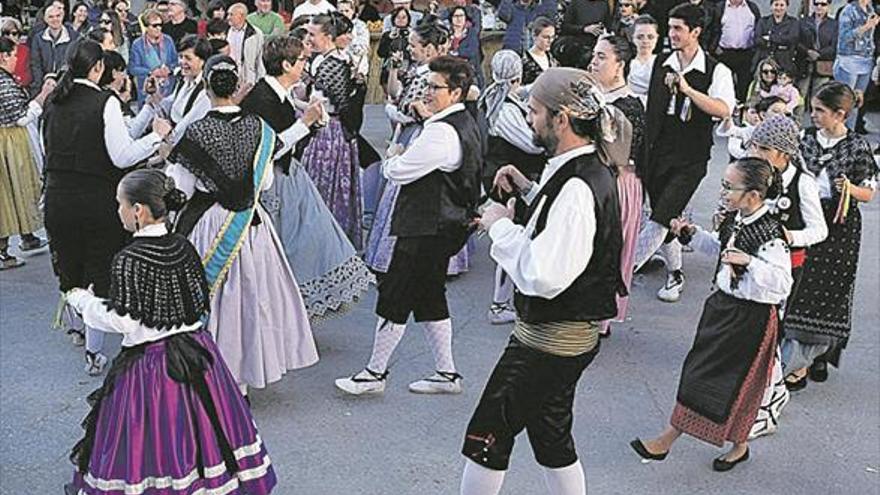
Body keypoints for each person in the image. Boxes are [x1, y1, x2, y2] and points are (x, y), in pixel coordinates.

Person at [459, 69, 628, 495]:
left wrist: (499, 225)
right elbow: (564, 226)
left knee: (487, 436)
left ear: (563, 118)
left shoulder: (578, 185)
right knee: (550, 434)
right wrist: (530, 189)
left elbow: (544, 274)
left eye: (534, 111)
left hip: (549, 340)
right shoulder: (581, 168)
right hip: (564, 336)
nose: (530, 120)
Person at [62, 169, 277, 495]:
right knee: (205, 440)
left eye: (120, 203)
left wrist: (82, 300)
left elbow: (127, 322)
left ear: (139, 211)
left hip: (153, 368)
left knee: (151, 447)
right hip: (198, 357)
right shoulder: (182, 245)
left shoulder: (130, 258)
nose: (118, 210)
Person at [167, 54, 319, 395]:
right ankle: (244, 380)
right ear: (237, 87)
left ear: (206, 88)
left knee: (216, 300)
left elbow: (181, 189)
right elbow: (264, 183)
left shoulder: (196, 131)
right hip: (250, 224)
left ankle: (209, 371)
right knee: (251, 300)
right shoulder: (260, 129)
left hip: (209, 224)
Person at [630, 157, 793, 472]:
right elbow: (721, 249)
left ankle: (668, 440)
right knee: (702, 375)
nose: (724, 192)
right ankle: (737, 445)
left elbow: (782, 282)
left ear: (754, 196)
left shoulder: (771, 234)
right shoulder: (737, 219)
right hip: (723, 311)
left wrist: (750, 262)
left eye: (730, 187)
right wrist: (690, 233)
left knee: (731, 384)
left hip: (750, 320)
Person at [335, 56, 481, 396]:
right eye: (427, 85)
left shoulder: (442, 133)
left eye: (435, 87)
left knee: (396, 294)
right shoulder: (459, 121)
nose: (427, 92)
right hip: (441, 224)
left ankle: (374, 373)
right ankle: (446, 373)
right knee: (430, 296)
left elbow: (398, 172)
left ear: (456, 92)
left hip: (426, 226)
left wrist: (393, 155)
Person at [42, 39, 172, 373]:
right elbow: (121, 155)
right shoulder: (105, 101)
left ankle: (79, 328)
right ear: (98, 68)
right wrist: (156, 136)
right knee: (99, 273)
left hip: (58, 197)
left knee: (70, 268)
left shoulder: (54, 101)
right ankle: (93, 351)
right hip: (96, 198)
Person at [240, 36, 374, 318]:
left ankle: (292, 311)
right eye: (301, 60)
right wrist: (305, 124)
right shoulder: (261, 97)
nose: (305, 64)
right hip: (274, 182)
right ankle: (281, 313)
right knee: (290, 247)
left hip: (290, 177)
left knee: (312, 239)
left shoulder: (277, 91)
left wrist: (308, 115)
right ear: (286, 64)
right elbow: (267, 149)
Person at [633, 3, 736, 303]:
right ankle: (675, 272)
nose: (672, 33)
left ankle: (621, 272)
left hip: (690, 156)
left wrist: (689, 91)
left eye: (678, 28)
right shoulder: (661, 62)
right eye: (671, 26)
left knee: (663, 214)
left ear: (696, 32)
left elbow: (723, 109)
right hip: (656, 151)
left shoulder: (717, 70)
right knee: (666, 216)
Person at [780, 81, 878, 389]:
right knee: (799, 287)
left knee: (828, 293)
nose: (814, 116)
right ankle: (799, 361)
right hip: (806, 219)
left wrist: (850, 188)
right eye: (812, 109)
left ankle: (814, 357)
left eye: (820, 111)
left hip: (840, 227)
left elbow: (869, 193)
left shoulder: (857, 147)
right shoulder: (805, 138)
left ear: (841, 114)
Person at [365, 21, 472, 277]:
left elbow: (406, 110)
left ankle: (399, 257)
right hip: (417, 131)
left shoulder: (429, 77)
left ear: (430, 49)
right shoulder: (422, 72)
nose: (410, 49)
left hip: (417, 134)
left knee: (407, 186)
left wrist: (393, 110)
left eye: (414, 45)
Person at [746, 114, 827, 439]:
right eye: (756, 145)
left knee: (770, 335)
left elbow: (818, 230)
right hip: (749, 263)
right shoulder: (757, 174)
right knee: (752, 334)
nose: (757, 153)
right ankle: (760, 393)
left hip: (785, 269)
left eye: (764, 148)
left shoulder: (802, 183)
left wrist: (790, 236)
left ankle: (770, 397)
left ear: (784, 152)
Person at [478, 49, 546, 325]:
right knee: (514, 238)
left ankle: (505, 300)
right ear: (516, 75)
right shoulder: (504, 109)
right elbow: (530, 144)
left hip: (503, 175)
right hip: (507, 180)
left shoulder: (496, 97)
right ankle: (499, 303)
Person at [588, 34, 644, 338]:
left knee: (608, 247)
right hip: (595, 179)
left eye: (601, 57)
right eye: (595, 55)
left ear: (620, 64)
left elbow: (618, 154)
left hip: (617, 183)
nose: (594, 62)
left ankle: (601, 316)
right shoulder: (594, 95)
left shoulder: (629, 104)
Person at [302, 13, 363, 248]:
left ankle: (326, 241)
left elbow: (323, 105)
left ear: (327, 36)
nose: (308, 38)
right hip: (328, 127)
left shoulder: (333, 63)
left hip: (331, 131)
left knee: (325, 186)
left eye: (312, 34)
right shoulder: (323, 59)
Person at [0, 37, 53, 270]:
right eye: (13, 55)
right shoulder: (3, 81)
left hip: (10, 140)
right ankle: (3, 251)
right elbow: (21, 116)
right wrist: (43, 95)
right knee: (10, 193)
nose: (15, 60)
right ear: (3, 57)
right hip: (9, 142)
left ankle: (22, 238)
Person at [833, 0, 877, 129]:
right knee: (845, 101)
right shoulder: (848, 10)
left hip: (866, 59)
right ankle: (839, 135)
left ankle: (849, 135)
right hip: (849, 59)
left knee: (857, 101)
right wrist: (866, 26)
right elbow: (845, 37)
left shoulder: (870, 9)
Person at [713, 0, 760, 103]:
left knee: (744, 88)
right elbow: (713, 29)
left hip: (746, 54)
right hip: (725, 54)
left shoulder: (752, 8)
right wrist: (714, 48)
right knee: (723, 87)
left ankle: (742, 114)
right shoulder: (719, 8)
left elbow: (758, 29)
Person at [128, 8, 177, 102]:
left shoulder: (168, 40)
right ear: (146, 26)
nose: (159, 28)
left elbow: (175, 61)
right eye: (155, 25)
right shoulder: (137, 44)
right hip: (147, 90)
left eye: (160, 25)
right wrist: (151, 72)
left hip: (168, 90)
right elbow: (133, 68)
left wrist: (169, 69)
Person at [30, 4, 80, 95]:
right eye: (51, 17)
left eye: (58, 16)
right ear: (45, 19)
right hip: (43, 84)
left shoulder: (74, 37)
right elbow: (36, 64)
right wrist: (43, 83)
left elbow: (74, 63)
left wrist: (61, 81)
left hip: (66, 84)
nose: (55, 19)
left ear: (62, 16)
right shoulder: (38, 38)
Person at [796, 0, 837, 109]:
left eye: (823, 4)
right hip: (805, 63)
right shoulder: (803, 21)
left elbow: (834, 46)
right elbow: (796, 41)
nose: (819, 6)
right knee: (799, 96)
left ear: (828, 6)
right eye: (816, 4)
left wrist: (818, 54)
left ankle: (818, 125)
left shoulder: (834, 24)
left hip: (823, 64)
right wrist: (807, 52)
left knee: (819, 98)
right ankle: (796, 124)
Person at [752, 0, 798, 76]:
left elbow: (792, 39)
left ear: (786, 7)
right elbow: (757, 40)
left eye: (782, 5)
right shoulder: (763, 21)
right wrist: (781, 41)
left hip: (784, 63)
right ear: (771, 6)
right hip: (765, 61)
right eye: (776, 5)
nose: (778, 8)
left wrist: (770, 38)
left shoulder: (793, 22)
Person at [226, 3, 265, 87]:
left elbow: (259, 58)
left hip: (248, 77)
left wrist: (260, 79)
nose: (228, 17)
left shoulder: (255, 33)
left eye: (231, 14)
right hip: (230, 74)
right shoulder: (226, 31)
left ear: (241, 16)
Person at [377, 7, 412, 90]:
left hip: (407, 69)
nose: (401, 20)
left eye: (404, 17)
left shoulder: (413, 34)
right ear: (393, 19)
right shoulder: (387, 35)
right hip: (389, 68)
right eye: (398, 17)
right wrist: (389, 38)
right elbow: (380, 53)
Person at [449, 5, 483, 87]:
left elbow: (472, 51)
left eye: (461, 16)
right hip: (450, 70)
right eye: (456, 16)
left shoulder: (471, 33)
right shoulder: (447, 33)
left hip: (469, 70)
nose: (459, 19)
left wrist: (456, 53)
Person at [628, 14, 658, 104]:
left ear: (657, 38)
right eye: (640, 37)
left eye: (650, 37)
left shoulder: (664, 63)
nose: (645, 41)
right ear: (633, 38)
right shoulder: (626, 63)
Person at [521, 16, 556, 85]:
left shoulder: (553, 59)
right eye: (546, 37)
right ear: (534, 36)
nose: (550, 41)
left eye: (552, 37)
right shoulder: (523, 61)